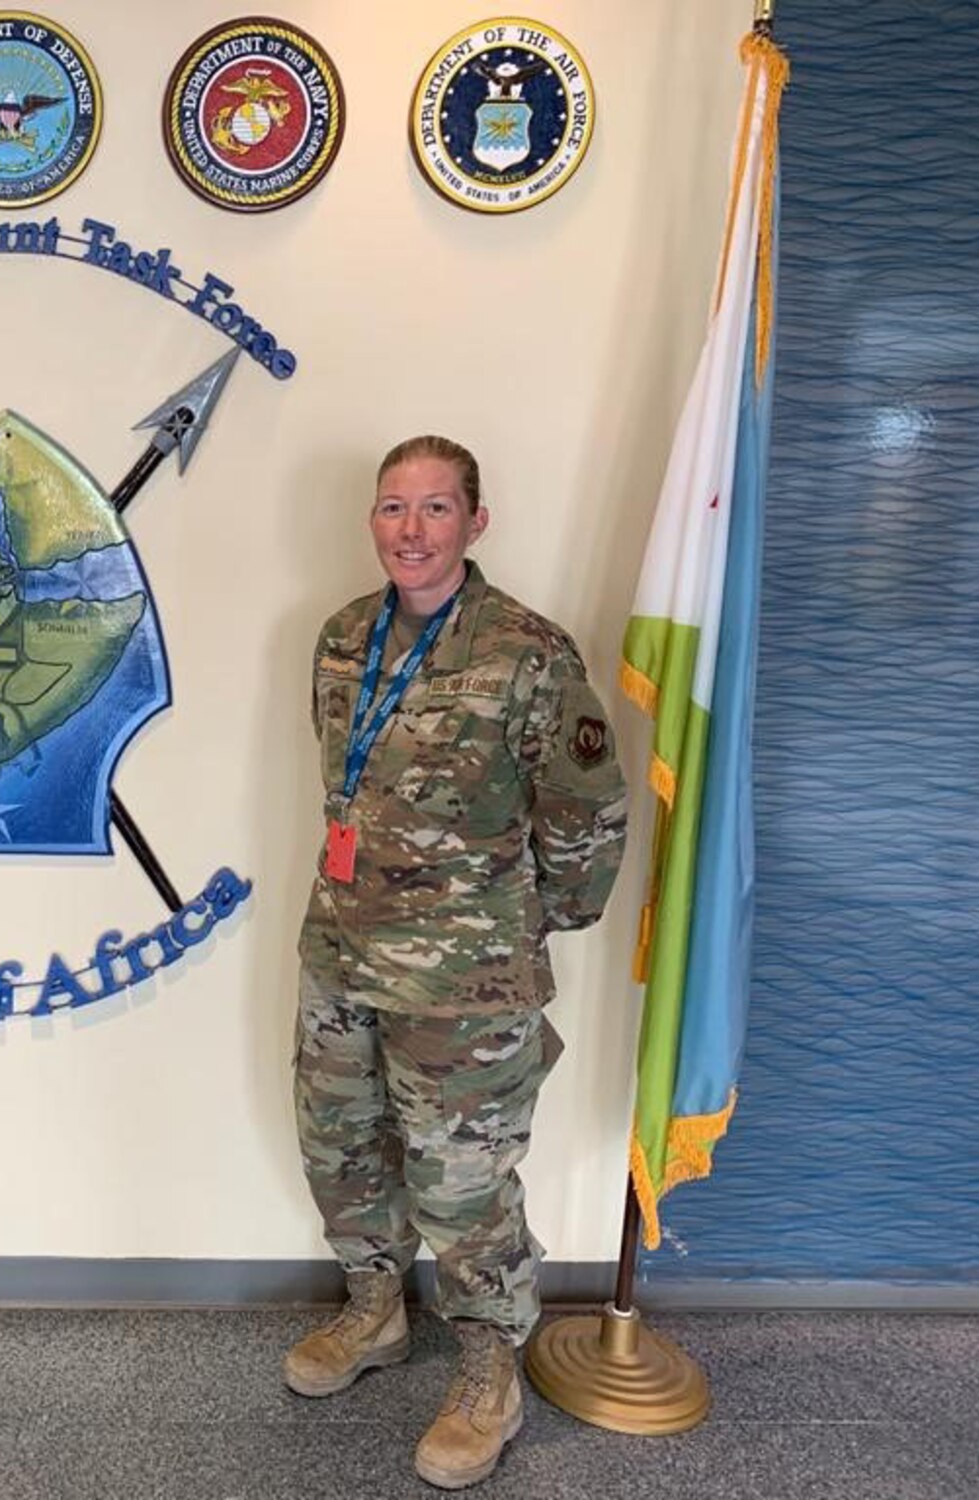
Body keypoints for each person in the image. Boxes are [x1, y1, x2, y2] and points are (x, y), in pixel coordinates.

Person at [287, 435, 626, 1490]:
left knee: (462, 1182)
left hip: (466, 979)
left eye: (435, 509)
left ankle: (488, 1370)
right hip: (341, 952)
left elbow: (586, 808)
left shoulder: (527, 651)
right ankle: (375, 1310)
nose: (410, 531)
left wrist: (535, 920)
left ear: (474, 523)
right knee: (340, 1147)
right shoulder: (342, 638)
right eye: (392, 508)